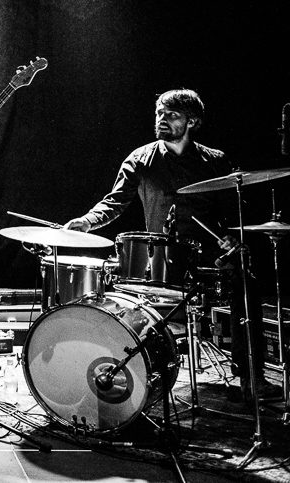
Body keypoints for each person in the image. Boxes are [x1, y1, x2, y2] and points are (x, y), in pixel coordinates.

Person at [63, 88, 277, 401]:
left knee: (247, 283)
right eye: (159, 113)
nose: (162, 119)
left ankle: (251, 378)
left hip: (208, 257)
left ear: (192, 121)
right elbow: (114, 202)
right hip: (160, 258)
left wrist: (235, 239)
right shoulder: (140, 159)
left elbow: (232, 213)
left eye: (171, 115)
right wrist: (86, 221)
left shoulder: (215, 160)